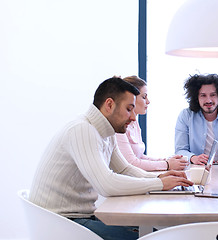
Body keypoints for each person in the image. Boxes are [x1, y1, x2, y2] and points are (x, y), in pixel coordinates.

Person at [29, 77, 193, 240]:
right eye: (129, 109)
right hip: (61, 224)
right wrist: (160, 184)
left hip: (76, 218)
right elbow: (106, 185)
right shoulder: (82, 130)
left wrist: (160, 177)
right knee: (155, 236)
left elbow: (124, 169)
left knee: (156, 232)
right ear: (109, 105)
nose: (133, 118)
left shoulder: (107, 132)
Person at [116, 76, 188, 171]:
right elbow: (132, 163)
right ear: (131, 98)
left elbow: (140, 157)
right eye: (144, 97)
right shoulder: (119, 126)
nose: (148, 101)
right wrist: (167, 164)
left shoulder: (134, 123)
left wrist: (167, 160)